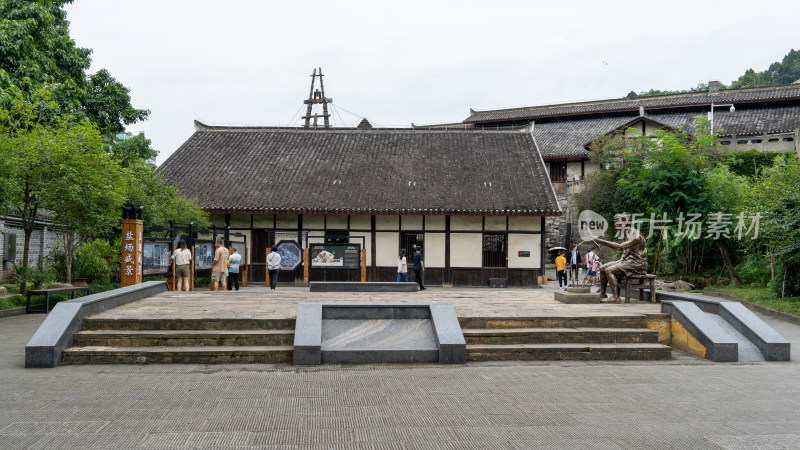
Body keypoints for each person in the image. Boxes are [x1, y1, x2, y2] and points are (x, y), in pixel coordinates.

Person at [592, 213, 648, 303]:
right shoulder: (625, 233)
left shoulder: (635, 235)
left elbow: (619, 246)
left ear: (626, 222)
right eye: (615, 221)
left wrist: (600, 240)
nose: (615, 224)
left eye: (618, 221)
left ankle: (615, 297)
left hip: (637, 264)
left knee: (609, 270)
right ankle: (602, 294)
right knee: (602, 268)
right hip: (626, 261)